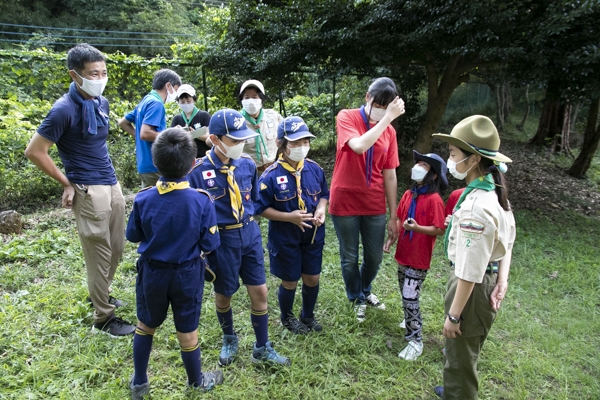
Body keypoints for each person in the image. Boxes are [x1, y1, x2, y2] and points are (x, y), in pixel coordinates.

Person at [24, 43, 135, 337]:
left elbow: (97, 145)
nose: (100, 78)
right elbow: (35, 151)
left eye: (103, 72)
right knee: (98, 253)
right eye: (92, 73)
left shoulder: (102, 102)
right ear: (75, 76)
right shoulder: (63, 109)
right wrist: (66, 182)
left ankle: (101, 293)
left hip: (111, 183)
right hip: (88, 189)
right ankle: (104, 318)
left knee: (116, 247)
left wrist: (113, 183)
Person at [188, 109, 291, 367]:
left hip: (249, 234)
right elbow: (192, 214)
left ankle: (262, 346)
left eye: (243, 139)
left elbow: (255, 200)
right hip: (220, 242)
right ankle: (229, 337)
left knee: (260, 290)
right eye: (234, 140)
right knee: (224, 293)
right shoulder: (197, 173)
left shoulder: (246, 165)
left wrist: (250, 226)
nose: (240, 144)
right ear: (214, 139)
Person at [126, 128, 223, 399]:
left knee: (145, 325)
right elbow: (210, 244)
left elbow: (133, 235)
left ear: (155, 163)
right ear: (194, 163)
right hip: (187, 275)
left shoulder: (143, 198)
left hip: (152, 273)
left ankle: (139, 383)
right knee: (188, 331)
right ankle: (196, 382)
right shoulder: (202, 200)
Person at [431, 115, 516, 399]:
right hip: (487, 281)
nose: (449, 159)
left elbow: (469, 272)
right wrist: (502, 279)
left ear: (474, 159)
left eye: (454, 154)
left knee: (460, 355)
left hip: (472, 288)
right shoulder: (496, 192)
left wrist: (454, 315)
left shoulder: (476, 207)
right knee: (466, 350)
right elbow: (508, 238)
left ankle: (458, 393)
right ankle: (456, 389)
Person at [329, 77, 405, 322]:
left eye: (386, 106)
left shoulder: (389, 131)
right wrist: (387, 118)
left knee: (374, 257)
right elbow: (359, 146)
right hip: (345, 201)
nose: (381, 109)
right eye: (378, 104)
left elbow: (390, 173)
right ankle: (356, 297)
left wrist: (394, 215)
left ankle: (365, 289)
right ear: (367, 97)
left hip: (373, 204)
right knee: (349, 256)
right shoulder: (347, 117)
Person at [255, 116, 329, 334]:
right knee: (290, 280)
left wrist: (321, 209)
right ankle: (287, 318)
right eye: (295, 143)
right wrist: (289, 217)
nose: (302, 147)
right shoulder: (270, 175)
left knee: (312, 277)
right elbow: (260, 208)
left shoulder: (315, 169)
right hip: (285, 236)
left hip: (313, 234)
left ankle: (308, 315)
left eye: (305, 142)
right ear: (281, 144)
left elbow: (324, 194)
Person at [383, 151, 447, 361]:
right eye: (418, 163)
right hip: (404, 254)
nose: (418, 167)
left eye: (425, 165)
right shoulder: (409, 195)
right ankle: (409, 319)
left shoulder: (435, 200)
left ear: (434, 175)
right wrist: (392, 239)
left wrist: (418, 228)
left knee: (411, 296)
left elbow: (439, 229)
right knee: (405, 293)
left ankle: (415, 339)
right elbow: (401, 219)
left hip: (419, 259)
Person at [118, 69, 182, 188]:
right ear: (168, 85)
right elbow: (145, 133)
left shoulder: (145, 101)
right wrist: (171, 134)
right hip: (155, 165)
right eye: (176, 89)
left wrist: (140, 136)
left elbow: (123, 123)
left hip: (144, 164)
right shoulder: (156, 103)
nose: (176, 95)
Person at [237, 79, 284, 173]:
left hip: (273, 169)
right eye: (246, 97)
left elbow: (286, 137)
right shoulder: (236, 121)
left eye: (254, 97)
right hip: (248, 172)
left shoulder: (273, 116)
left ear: (261, 100)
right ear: (242, 100)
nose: (250, 101)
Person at [170, 84, 212, 158]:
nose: (185, 104)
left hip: (203, 157)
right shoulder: (177, 119)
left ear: (194, 100)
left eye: (188, 101)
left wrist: (194, 134)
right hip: (183, 159)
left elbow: (211, 137)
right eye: (182, 102)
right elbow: (170, 142)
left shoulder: (204, 116)